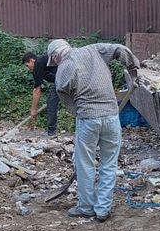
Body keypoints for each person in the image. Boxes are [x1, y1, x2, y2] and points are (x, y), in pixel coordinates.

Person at [47, 38, 140, 221]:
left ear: (56, 56)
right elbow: (120, 50)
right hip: (112, 117)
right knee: (109, 163)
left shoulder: (63, 68)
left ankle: (86, 207)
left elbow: (64, 95)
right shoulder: (94, 50)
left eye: (54, 60)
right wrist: (133, 72)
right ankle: (103, 209)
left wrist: (77, 111)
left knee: (85, 164)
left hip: (88, 119)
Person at [23, 51, 59, 136]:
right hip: (65, 78)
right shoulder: (43, 62)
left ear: (32, 60)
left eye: (27, 65)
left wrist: (33, 110)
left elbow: (37, 90)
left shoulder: (38, 64)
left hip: (62, 79)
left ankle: (51, 132)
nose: (29, 68)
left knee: (51, 102)